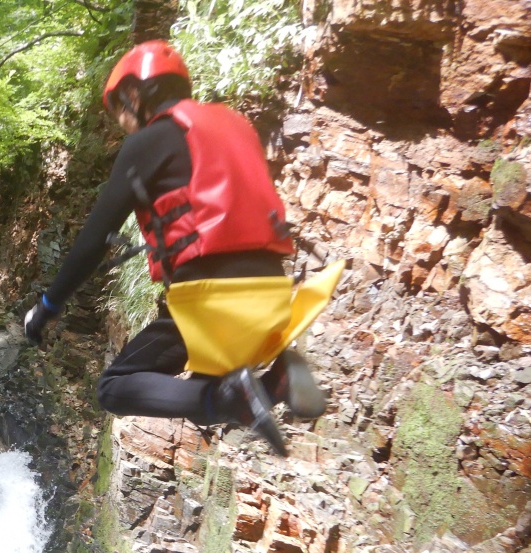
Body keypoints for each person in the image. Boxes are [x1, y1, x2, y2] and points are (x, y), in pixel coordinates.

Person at [23, 41, 332, 457]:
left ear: (134, 94)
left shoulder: (150, 141)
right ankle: (276, 381)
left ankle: (239, 397)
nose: (122, 123)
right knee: (205, 393)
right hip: (272, 290)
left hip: (209, 296)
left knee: (114, 387)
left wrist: (47, 306)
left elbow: (93, 239)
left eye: (119, 110)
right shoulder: (237, 126)